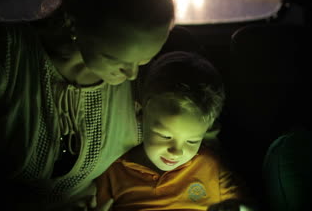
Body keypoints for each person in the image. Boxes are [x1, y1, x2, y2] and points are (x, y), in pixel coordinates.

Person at [0, 0, 174, 210]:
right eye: (115, 58)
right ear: (74, 24)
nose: (132, 74)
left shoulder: (139, 85)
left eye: (143, 61)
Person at [95, 51, 247, 211]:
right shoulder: (113, 171)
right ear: (141, 113)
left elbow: (243, 205)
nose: (176, 151)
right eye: (166, 136)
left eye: (192, 141)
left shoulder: (211, 166)